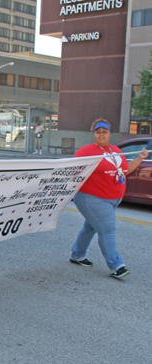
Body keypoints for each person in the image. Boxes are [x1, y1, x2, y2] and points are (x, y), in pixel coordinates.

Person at [70, 118, 148, 279]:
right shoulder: (87, 151)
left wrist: (140, 158)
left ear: (109, 134)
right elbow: (71, 169)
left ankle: (77, 255)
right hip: (91, 198)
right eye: (98, 132)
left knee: (90, 227)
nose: (101, 135)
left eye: (104, 132)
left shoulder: (116, 151)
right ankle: (116, 266)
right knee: (108, 230)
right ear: (94, 134)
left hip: (113, 198)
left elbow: (125, 171)